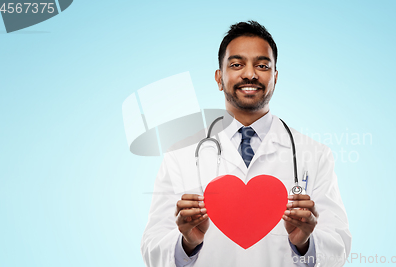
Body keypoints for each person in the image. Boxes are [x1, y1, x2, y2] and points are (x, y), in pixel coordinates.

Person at [141, 21, 351, 267]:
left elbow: (338, 247)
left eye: (262, 65)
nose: (250, 74)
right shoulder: (180, 154)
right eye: (237, 64)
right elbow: (152, 248)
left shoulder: (315, 155)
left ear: (275, 77)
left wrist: (304, 243)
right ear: (219, 78)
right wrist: (187, 243)